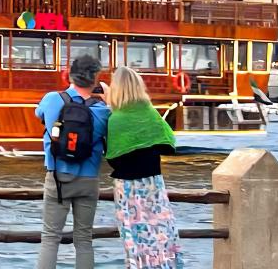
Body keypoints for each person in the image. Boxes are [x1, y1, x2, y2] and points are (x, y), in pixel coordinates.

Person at [35, 55, 110, 269]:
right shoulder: (103, 111)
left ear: (70, 74)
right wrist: (109, 99)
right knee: (84, 240)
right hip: (88, 179)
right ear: (95, 78)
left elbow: (38, 113)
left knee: (50, 238)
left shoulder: (52, 99)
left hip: (58, 178)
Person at [105, 67, 182, 269]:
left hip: (127, 189)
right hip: (153, 184)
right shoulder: (150, 113)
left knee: (135, 238)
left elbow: (113, 158)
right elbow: (168, 144)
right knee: (161, 233)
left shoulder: (115, 120)